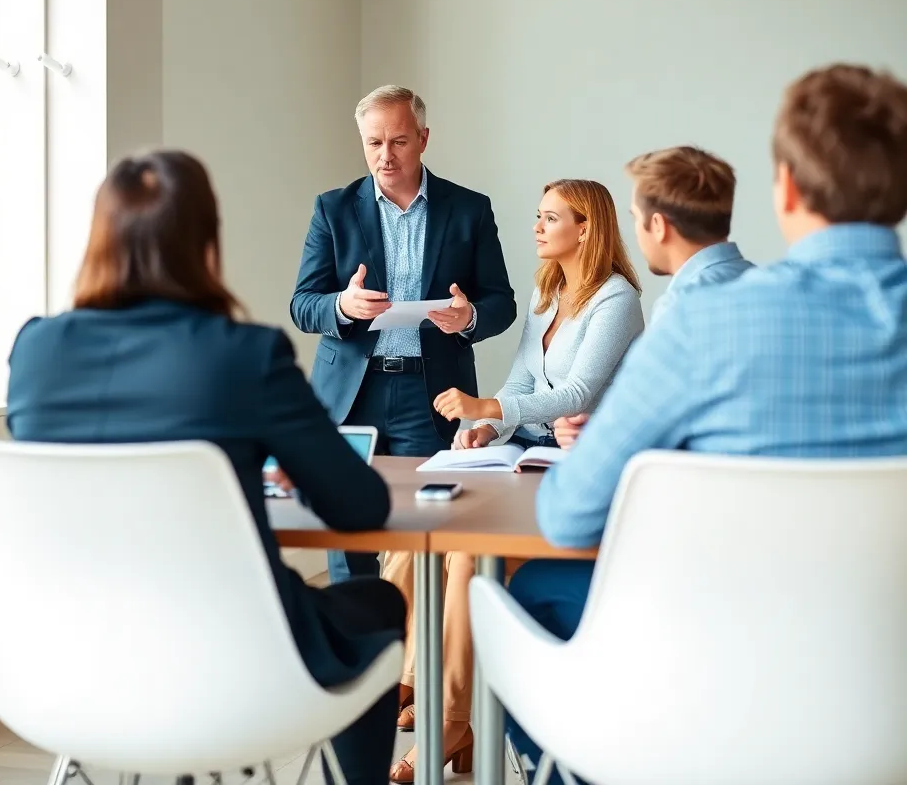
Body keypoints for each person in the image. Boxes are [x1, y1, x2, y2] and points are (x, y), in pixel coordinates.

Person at [507, 64, 907, 785]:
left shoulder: (709, 320)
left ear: (784, 186)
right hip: (889, 693)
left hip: (720, 686)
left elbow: (568, 517)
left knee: (528, 587)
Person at [6, 151, 406, 785]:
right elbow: (361, 509)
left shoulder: (34, 351)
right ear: (205, 241)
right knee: (378, 598)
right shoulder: (243, 354)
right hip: (230, 660)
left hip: (66, 656)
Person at [384, 179, 644, 784]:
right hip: (526, 454)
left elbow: (577, 393)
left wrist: (488, 411)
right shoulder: (547, 290)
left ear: (586, 227)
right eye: (537, 216)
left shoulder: (616, 299)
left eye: (550, 217)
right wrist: (486, 431)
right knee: (420, 534)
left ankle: (449, 719)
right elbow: (523, 387)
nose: (537, 226)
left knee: (468, 558)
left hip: (572, 463)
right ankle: (410, 682)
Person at [290, 85, 516, 586]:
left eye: (398, 142)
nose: (385, 157)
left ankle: (418, 658)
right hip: (352, 393)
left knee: (425, 530)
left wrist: (470, 317)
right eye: (374, 144)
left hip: (430, 393)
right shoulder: (333, 209)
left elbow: (502, 302)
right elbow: (303, 304)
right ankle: (364, 652)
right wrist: (342, 306)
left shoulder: (469, 210)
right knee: (348, 533)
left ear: (423, 138)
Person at [554, 145, 753, 448]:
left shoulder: (680, 307)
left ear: (658, 226)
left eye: (635, 217)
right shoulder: (760, 283)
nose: (635, 231)